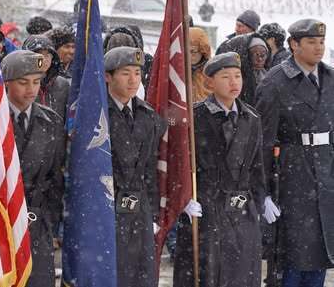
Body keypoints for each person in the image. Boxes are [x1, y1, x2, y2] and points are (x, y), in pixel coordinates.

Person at [174, 52, 272, 287]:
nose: (233, 82)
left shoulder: (251, 118)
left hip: (241, 209)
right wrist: (183, 198)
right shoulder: (194, 117)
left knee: (241, 272)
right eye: (226, 77)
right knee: (208, 273)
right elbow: (181, 163)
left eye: (237, 76)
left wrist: (262, 198)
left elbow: (256, 167)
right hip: (208, 205)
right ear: (210, 82)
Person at [0, 49, 65, 287]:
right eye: (23, 82)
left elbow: (56, 177)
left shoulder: (51, 121)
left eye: (36, 82)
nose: (31, 89)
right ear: (6, 82)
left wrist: (49, 220)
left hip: (36, 221)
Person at [256, 19, 334, 287]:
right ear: (293, 45)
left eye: (321, 41)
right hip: (291, 176)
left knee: (322, 255)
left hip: (325, 174)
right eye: (311, 42)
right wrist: (263, 191)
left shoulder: (330, 79)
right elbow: (263, 142)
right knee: (293, 259)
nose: (319, 47)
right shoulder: (276, 82)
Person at [104, 46, 166, 286]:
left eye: (138, 73)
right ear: (108, 76)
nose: (133, 80)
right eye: (125, 73)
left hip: (139, 209)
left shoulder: (147, 115)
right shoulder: (98, 113)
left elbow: (150, 167)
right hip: (108, 207)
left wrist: (152, 212)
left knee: (142, 275)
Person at [22, 35, 69, 120]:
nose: (44, 59)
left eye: (48, 55)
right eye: (39, 55)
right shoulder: (18, 83)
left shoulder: (63, 85)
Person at [216, 33, 271, 105]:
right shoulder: (239, 77)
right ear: (247, 55)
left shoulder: (268, 75)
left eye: (263, 55)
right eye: (256, 54)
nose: (260, 59)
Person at [190, 27, 213, 102]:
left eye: (193, 51)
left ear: (203, 52)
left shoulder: (211, 74)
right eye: (184, 51)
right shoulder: (174, 73)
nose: (188, 56)